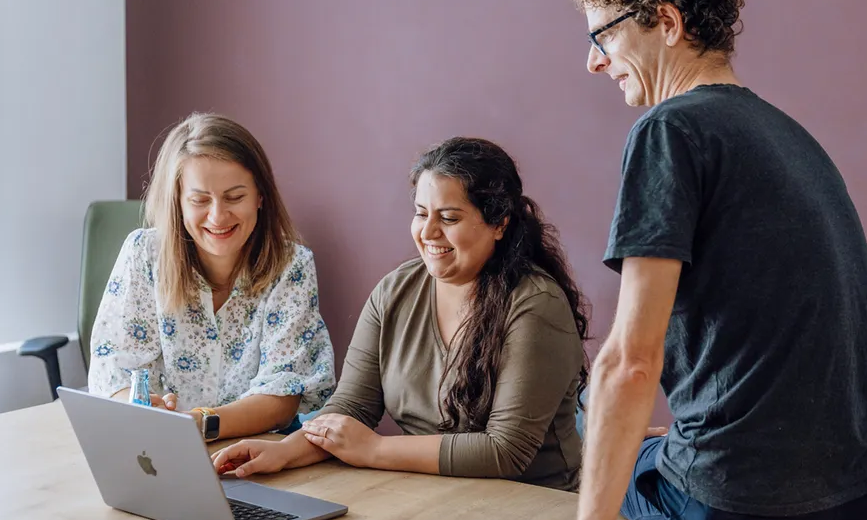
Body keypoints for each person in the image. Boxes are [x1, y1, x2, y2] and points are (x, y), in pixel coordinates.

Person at [461, 0, 867, 520]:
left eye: (602, 35)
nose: (593, 60)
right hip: (852, 493)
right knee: (665, 457)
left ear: (664, 20)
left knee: (596, 434)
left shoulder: (670, 130)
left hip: (743, 505)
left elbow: (631, 359)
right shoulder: (791, 137)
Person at [212, 137, 588, 491]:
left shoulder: (536, 304)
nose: (428, 231)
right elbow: (352, 408)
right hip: (429, 495)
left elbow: (506, 450)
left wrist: (374, 450)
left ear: (499, 224)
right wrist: (284, 452)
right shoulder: (396, 290)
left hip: (534, 506)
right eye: (421, 213)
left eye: (450, 218)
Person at [88, 112, 335, 441]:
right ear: (177, 201)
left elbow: (282, 395)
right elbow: (113, 368)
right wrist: (142, 410)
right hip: (158, 449)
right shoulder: (143, 254)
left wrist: (196, 424)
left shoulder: (291, 266)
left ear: (261, 196)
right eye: (199, 200)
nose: (218, 216)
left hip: (260, 449)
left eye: (235, 197)